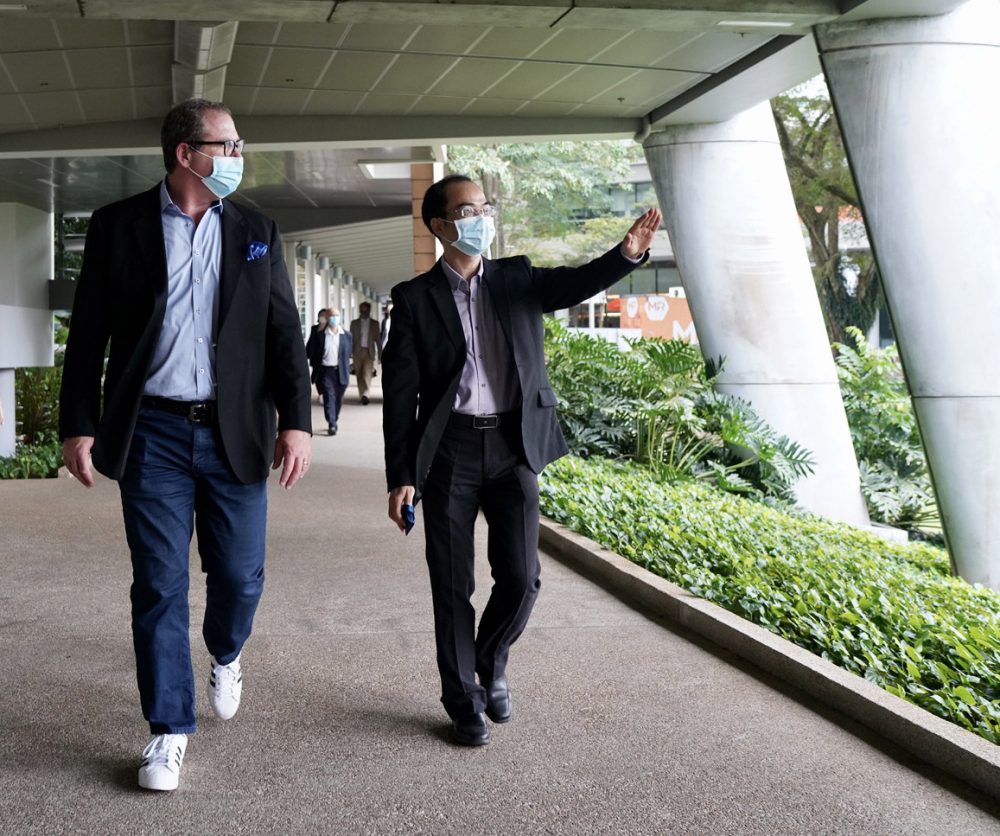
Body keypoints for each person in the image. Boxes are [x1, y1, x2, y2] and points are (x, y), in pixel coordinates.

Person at [59, 99, 312, 792]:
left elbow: (283, 335)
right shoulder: (119, 228)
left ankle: (226, 652)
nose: (237, 156)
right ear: (185, 154)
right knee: (159, 585)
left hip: (236, 431)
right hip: (154, 432)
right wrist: (77, 423)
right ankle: (168, 730)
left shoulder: (257, 229)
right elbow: (89, 336)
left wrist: (298, 420)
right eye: (226, 146)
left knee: (239, 576)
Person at [382, 174, 659, 746]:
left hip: (514, 446)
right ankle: (462, 701)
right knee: (451, 584)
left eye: (485, 206)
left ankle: (490, 660)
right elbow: (400, 396)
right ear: (439, 226)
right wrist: (401, 477)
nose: (481, 216)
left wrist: (625, 255)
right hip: (450, 451)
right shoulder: (414, 299)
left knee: (523, 577)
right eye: (467, 209)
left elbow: (576, 284)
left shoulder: (517, 277)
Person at [308, 306, 352, 435]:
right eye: (331, 316)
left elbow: (348, 352)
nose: (334, 318)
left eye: (336, 316)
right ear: (327, 318)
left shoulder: (347, 335)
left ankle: (334, 418)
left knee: (338, 399)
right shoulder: (320, 335)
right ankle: (332, 424)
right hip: (325, 371)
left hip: (341, 372)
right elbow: (313, 352)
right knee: (329, 397)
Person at [349, 301, 381, 404]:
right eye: (362, 309)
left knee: (367, 373)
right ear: (359, 310)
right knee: (359, 374)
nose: (364, 311)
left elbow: (378, 341)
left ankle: (366, 394)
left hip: (369, 352)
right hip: (357, 351)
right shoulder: (354, 323)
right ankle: (362, 393)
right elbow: (351, 339)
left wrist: (381, 355)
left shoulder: (375, 324)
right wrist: (349, 353)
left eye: (366, 309)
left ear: (369, 310)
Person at [305, 308, 331, 401]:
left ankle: (326, 394)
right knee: (317, 377)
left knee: (326, 376)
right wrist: (306, 353)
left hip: (327, 357)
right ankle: (321, 393)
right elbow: (310, 342)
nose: (322, 317)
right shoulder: (314, 328)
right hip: (316, 357)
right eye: (321, 316)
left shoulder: (330, 328)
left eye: (324, 316)